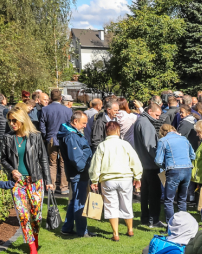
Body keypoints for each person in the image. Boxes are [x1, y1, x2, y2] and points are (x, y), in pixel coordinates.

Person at [0, 107, 52, 254]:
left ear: (22, 120)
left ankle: (35, 237)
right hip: (18, 183)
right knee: (23, 215)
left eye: (14, 120)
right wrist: (12, 170)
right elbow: (3, 159)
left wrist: (48, 181)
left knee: (36, 215)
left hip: (35, 180)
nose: (12, 123)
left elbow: (43, 160)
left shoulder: (35, 136)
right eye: (10, 120)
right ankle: (32, 247)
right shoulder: (8, 137)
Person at [89, 120, 143, 241]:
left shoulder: (102, 145)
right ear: (118, 131)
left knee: (111, 205)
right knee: (127, 203)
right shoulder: (125, 144)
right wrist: (137, 177)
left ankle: (116, 234)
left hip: (108, 179)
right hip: (125, 178)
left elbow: (96, 164)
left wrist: (94, 180)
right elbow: (136, 161)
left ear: (106, 132)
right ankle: (130, 230)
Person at [57, 110, 94, 238]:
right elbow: (76, 160)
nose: (85, 126)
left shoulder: (72, 133)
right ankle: (82, 231)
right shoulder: (71, 136)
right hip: (78, 173)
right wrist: (87, 154)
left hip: (77, 173)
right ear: (75, 121)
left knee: (74, 201)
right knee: (80, 202)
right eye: (83, 123)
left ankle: (67, 228)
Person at [133, 99, 165, 229]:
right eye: (156, 115)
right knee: (153, 194)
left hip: (144, 164)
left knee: (145, 193)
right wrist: (159, 160)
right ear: (150, 111)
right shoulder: (146, 123)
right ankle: (153, 219)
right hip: (151, 165)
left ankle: (146, 218)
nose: (158, 118)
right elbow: (150, 145)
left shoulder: (142, 121)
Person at [155, 123, 195, 216]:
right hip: (187, 169)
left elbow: (158, 161)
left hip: (173, 170)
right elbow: (193, 155)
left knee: (169, 200)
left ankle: (171, 227)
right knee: (182, 199)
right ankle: (183, 225)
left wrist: (165, 167)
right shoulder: (184, 139)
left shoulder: (163, 140)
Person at [39, 88, 72, 195]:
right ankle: (64, 187)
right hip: (64, 138)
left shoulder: (45, 109)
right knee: (64, 163)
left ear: (50, 98)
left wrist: (45, 136)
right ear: (61, 98)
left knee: (52, 163)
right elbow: (70, 125)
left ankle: (51, 186)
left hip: (51, 138)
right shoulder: (67, 110)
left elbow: (42, 126)